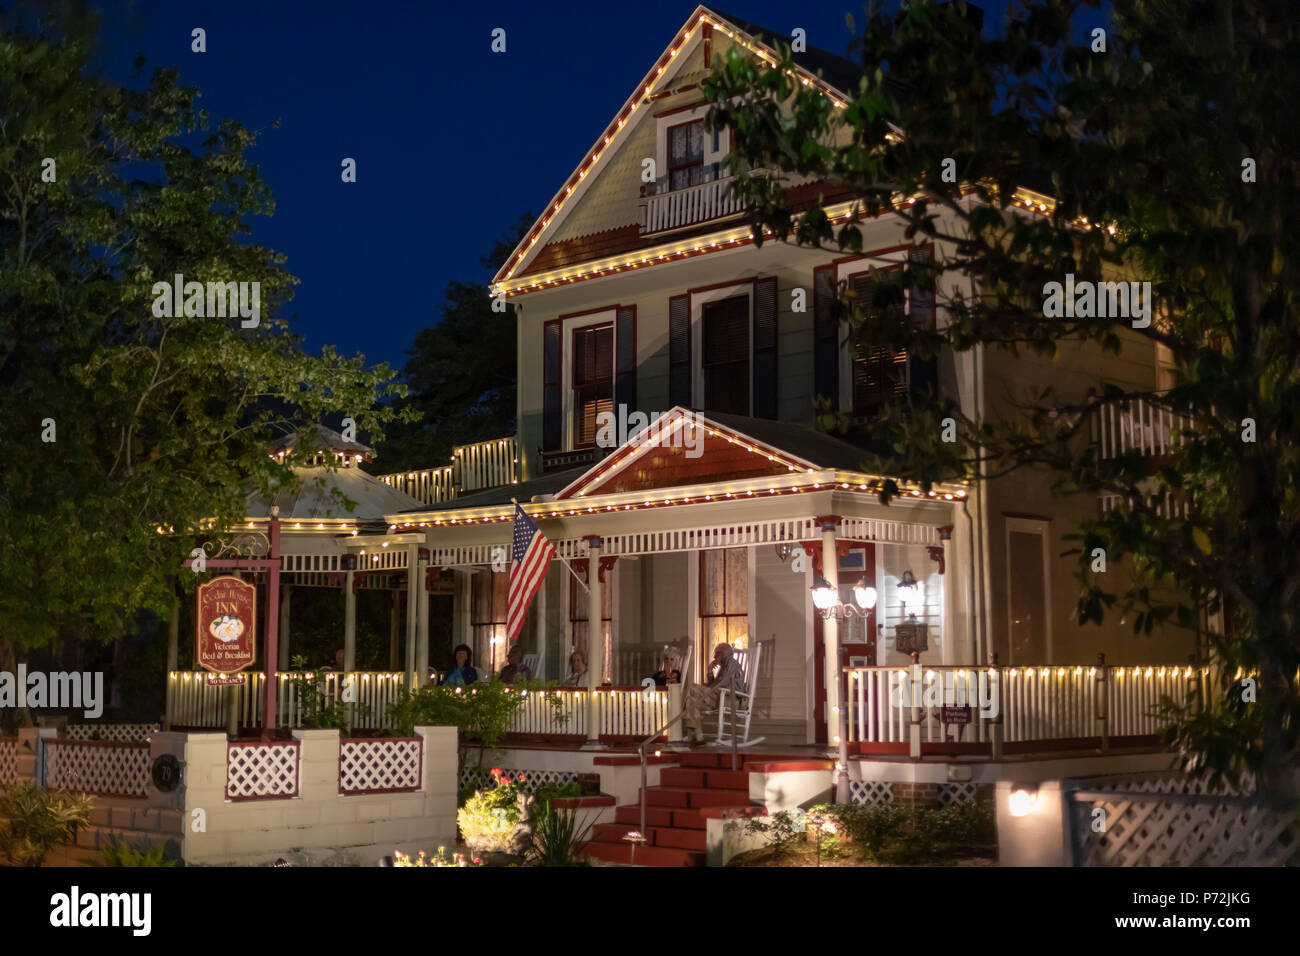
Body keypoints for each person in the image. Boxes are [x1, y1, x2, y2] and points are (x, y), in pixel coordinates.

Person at [682, 643, 745, 743]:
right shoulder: (723, 666)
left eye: (717, 654)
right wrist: (709, 670)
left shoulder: (732, 664)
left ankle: (690, 731)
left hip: (728, 698)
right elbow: (713, 684)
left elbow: (724, 683)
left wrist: (708, 689)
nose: (714, 657)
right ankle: (699, 737)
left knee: (692, 687)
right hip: (716, 697)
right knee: (691, 701)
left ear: (724, 653)